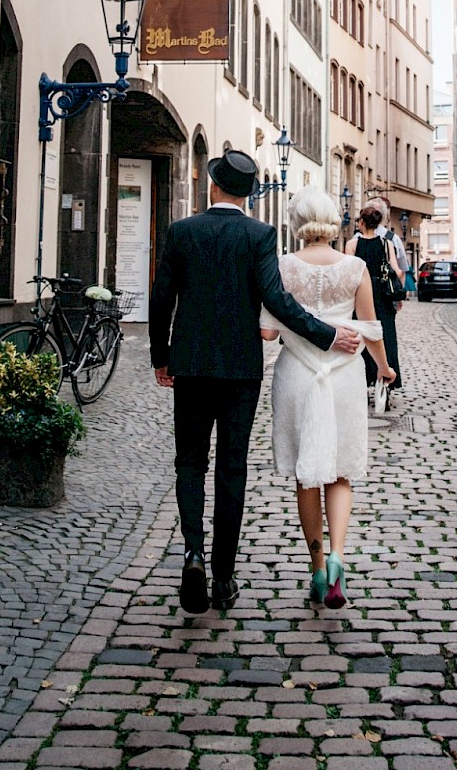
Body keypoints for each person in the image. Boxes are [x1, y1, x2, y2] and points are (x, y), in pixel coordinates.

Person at [149, 149, 361, 616]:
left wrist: (161, 357)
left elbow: (161, 297)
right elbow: (278, 302)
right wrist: (328, 335)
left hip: (191, 366)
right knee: (231, 470)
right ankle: (223, 578)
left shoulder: (182, 232)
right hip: (241, 371)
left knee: (189, 462)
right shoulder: (259, 236)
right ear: (248, 195)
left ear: (213, 187)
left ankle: (192, 554)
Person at [260, 187, 395, 609]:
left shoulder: (282, 266)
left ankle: (317, 570)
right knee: (340, 473)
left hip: (298, 373)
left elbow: (267, 332)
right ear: (333, 221)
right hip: (343, 377)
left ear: (297, 223)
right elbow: (371, 328)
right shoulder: (354, 266)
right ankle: (338, 556)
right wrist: (386, 369)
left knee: (307, 475)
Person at [346, 205, 403, 398]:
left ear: (361, 222)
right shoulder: (387, 244)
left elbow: (348, 275)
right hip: (382, 296)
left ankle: (361, 378)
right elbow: (397, 271)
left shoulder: (352, 245)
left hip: (360, 295)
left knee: (361, 334)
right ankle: (385, 376)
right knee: (385, 336)